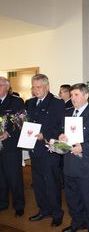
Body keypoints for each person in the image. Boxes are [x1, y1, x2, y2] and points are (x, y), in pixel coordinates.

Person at [59, 83, 89, 232]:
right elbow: (63, 132)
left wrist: (83, 147)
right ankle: (78, 222)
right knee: (72, 199)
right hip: (69, 164)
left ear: (86, 96)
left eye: (76, 95)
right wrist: (61, 137)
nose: (72, 98)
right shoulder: (68, 113)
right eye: (71, 95)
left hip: (88, 165)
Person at [27, 74, 65, 227]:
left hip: (49, 150)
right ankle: (43, 209)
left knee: (52, 183)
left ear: (47, 87)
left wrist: (46, 136)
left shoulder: (57, 103)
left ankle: (57, 213)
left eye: (39, 87)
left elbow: (61, 127)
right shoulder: (29, 103)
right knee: (38, 183)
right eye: (34, 87)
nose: (36, 90)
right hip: (34, 150)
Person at [0, 77, 25, 217]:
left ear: (6, 87)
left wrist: (8, 132)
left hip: (11, 146)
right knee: (1, 177)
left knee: (14, 177)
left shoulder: (16, 101)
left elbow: (22, 122)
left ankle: (19, 205)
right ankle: (2, 203)